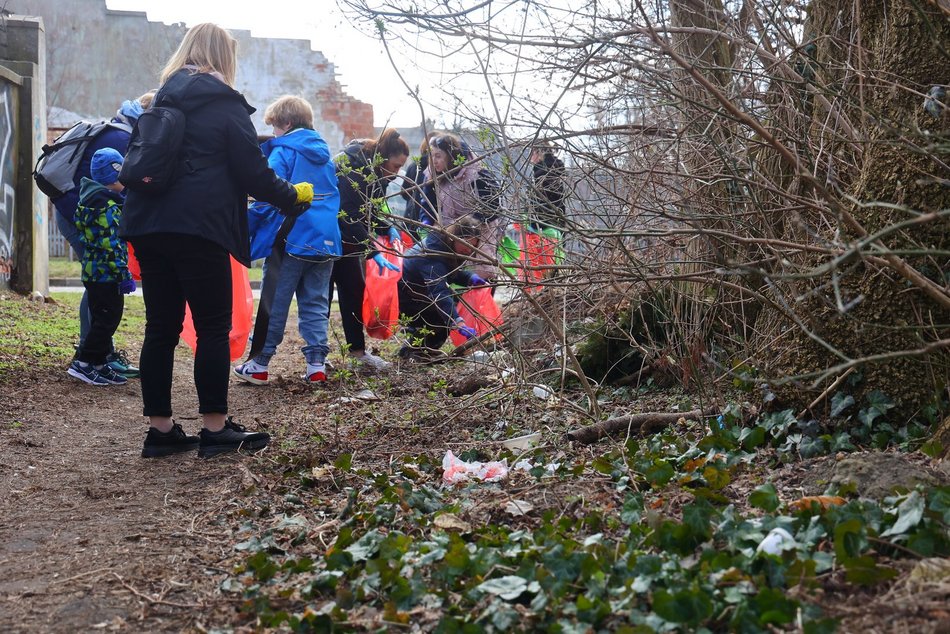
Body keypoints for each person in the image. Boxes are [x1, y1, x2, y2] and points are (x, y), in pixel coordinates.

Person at [120, 23, 315, 459]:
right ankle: (215, 428)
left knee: (160, 328)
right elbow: (253, 173)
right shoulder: (224, 105)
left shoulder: (160, 100)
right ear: (224, 57)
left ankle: (161, 431)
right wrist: (292, 196)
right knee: (211, 328)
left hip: (147, 224)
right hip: (199, 228)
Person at [233, 95, 341, 386]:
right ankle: (316, 364)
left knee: (274, 302)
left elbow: (270, 191)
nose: (275, 133)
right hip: (326, 239)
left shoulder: (284, 151)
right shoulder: (324, 154)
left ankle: (259, 363)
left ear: (287, 124)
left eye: (275, 127)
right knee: (317, 303)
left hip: (291, 238)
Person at [54, 94, 151, 379]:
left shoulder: (121, 133)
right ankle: (89, 356)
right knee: (101, 292)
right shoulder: (119, 142)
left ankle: (98, 355)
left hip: (83, 215)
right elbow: (109, 246)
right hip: (84, 219)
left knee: (101, 292)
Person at [331, 127, 410, 370]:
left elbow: (370, 210)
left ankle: (357, 353)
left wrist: (386, 227)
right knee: (320, 297)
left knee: (353, 290)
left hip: (349, 240)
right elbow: (348, 214)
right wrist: (373, 251)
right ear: (383, 157)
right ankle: (316, 358)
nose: (397, 175)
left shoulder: (378, 174)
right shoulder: (353, 168)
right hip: (327, 237)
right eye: (395, 167)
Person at [66, 148, 137, 386]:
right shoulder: (105, 207)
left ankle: (98, 363)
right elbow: (112, 245)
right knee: (108, 320)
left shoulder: (91, 199)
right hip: (106, 275)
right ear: (113, 177)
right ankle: (84, 363)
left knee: (101, 318)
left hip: (94, 273)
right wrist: (123, 275)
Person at [397, 218, 488, 359]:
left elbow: (448, 273)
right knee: (442, 317)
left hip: (417, 292)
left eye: (473, 245)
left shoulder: (443, 246)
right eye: (466, 244)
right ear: (455, 238)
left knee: (446, 311)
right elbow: (439, 291)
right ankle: (417, 352)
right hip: (406, 298)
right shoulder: (433, 254)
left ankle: (417, 349)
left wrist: (469, 278)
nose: (469, 249)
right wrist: (456, 321)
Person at [421, 132, 503, 281]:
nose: (434, 161)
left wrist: (468, 226)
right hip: (450, 232)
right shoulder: (434, 177)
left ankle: (481, 300)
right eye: (431, 156)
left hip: (479, 232)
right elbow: (427, 203)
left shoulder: (477, 175)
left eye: (438, 156)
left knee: (482, 270)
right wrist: (426, 220)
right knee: (451, 270)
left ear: (450, 155)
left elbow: (493, 207)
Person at [528, 141, 567, 231]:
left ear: (539, 153)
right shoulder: (556, 167)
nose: (530, 157)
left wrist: (533, 223)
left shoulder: (541, 173)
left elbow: (539, 201)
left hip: (543, 226)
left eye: (532, 153)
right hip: (558, 222)